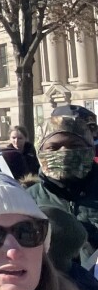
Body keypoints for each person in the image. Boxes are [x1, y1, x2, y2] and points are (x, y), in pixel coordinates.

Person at [26, 106, 98, 262]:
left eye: (75, 146)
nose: (64, 152)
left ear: (90, 149)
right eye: (53, 147)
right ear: (40, 152)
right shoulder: (26, 201)